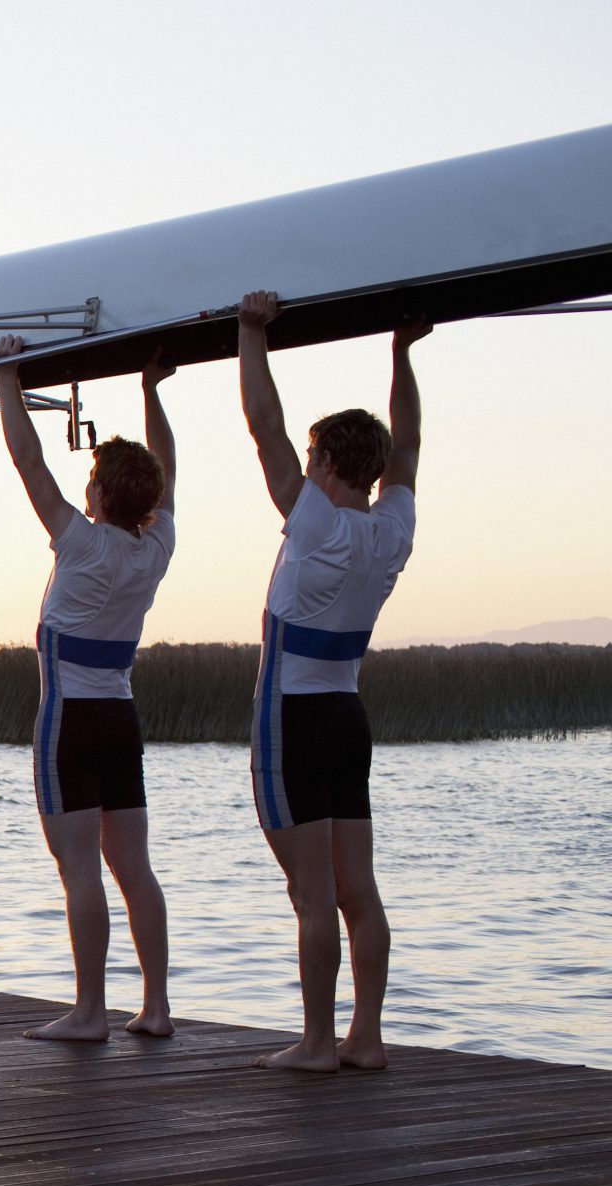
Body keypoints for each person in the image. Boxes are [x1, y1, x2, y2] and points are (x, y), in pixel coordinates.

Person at [238, 291, 430, 1073]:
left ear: (321, 464)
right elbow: (410, 444)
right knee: (359, 890)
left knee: (312, 895)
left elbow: (262, 426)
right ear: (373, 471)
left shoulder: (313, 519)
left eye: (311, 457)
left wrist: (251, 334)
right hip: (349, 719)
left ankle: (317, 1044)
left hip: (291, 721)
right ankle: (367, 1038)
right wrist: (402, 352)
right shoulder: (392, 532)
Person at [0, 338, 179, 1041]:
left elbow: (28, 459)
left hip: (68, 723)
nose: (85, 486)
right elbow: (169, 475)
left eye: (92, 479)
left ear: (98, 496)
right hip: (120, 720)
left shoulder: (79, 539)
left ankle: (91, 1012)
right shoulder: (157, 546)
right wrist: (151, 392)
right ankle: (156, 1007)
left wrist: (7, 375)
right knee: (134, 867)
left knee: (80, 870)